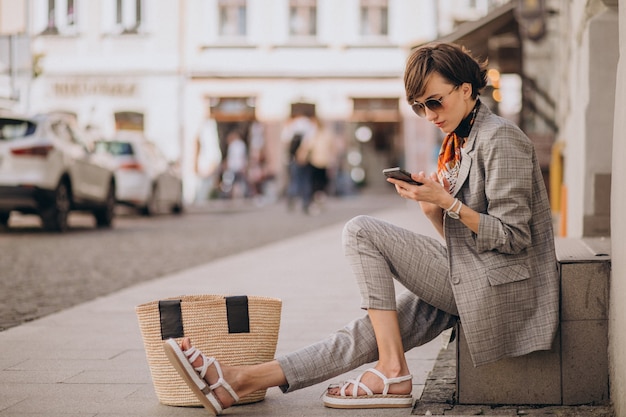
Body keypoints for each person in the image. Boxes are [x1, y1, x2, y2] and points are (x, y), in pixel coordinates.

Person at [163, 42, 559, 415]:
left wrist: (447, 202)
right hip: (476, 272)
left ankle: (392, 369)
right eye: (420, 107)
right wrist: (431, 209)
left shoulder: (500, 138)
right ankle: (240, 379)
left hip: (505, 288)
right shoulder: (460, 141)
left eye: (435, 102)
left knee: (361, 231)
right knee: (366, 331)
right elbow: (466, 236)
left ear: (467, 88)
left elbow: (514, 238)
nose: (429, 115)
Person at [194, 118, 222, 203]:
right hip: (204, 168)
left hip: (206, 168)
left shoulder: (209, 130)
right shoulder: (205, 128)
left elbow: (214, 155)